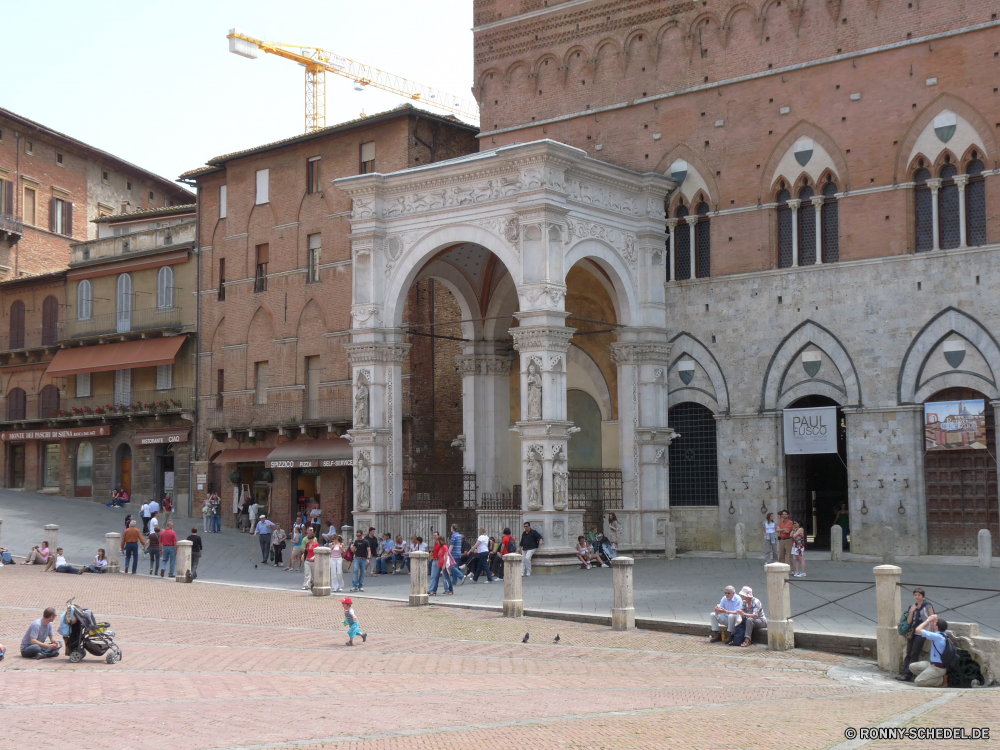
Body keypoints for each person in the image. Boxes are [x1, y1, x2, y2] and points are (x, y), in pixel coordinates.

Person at [898, 588, 935, 682]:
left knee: (914, 653)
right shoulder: (913, 606)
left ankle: (909, 674)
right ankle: (904, 672)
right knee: (908, 653)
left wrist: (931, 631)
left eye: (919, 595)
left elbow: (933, 617)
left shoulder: (927, 605)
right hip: (913, 632)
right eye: (915, 595)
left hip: (922, 632)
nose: (917, 597)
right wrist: (912, 611)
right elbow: (909, 621)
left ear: (923, 596)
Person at [907, 614, 951, 687]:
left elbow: (918, 630)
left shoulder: (938, 637)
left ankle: (941, 680)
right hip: (931, 665)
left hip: (938, 668)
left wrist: (927, 621)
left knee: (918, 682)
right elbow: (928, 637)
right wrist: (931, 624)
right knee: (912, 666)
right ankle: (930, 676)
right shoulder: (941, 635)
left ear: (936, 627)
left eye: (935, 624)